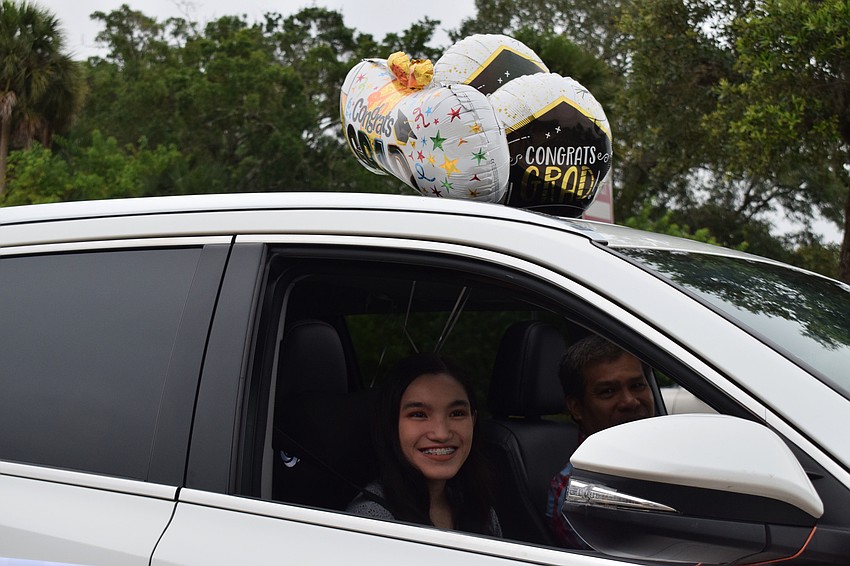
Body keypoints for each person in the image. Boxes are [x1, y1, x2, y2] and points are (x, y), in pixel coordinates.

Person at [347, 352, 501, 537]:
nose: (442, 434)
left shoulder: (478, 510)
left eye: (457, 413)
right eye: (419, 414)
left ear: (473, 420)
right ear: (390, 424)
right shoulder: (373, 519)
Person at [545, 334, 655, 548]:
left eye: (637, 385)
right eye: (608, 392)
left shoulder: (675, 450)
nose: (630, 401)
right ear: (577, 408)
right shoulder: (578, 492)